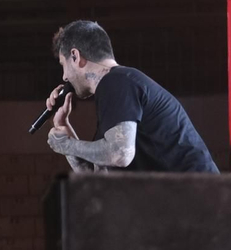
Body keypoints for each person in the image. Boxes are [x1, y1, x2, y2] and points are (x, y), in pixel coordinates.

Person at [44, 20, 218, 173]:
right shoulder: (117, 90)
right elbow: (96, 179)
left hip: (202, 201)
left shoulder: (117, 81)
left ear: (75, 56)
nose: (64, 77)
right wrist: (64, 129)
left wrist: (68, 145)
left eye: (63, 65)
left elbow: (120, 154)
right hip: (187, 202)